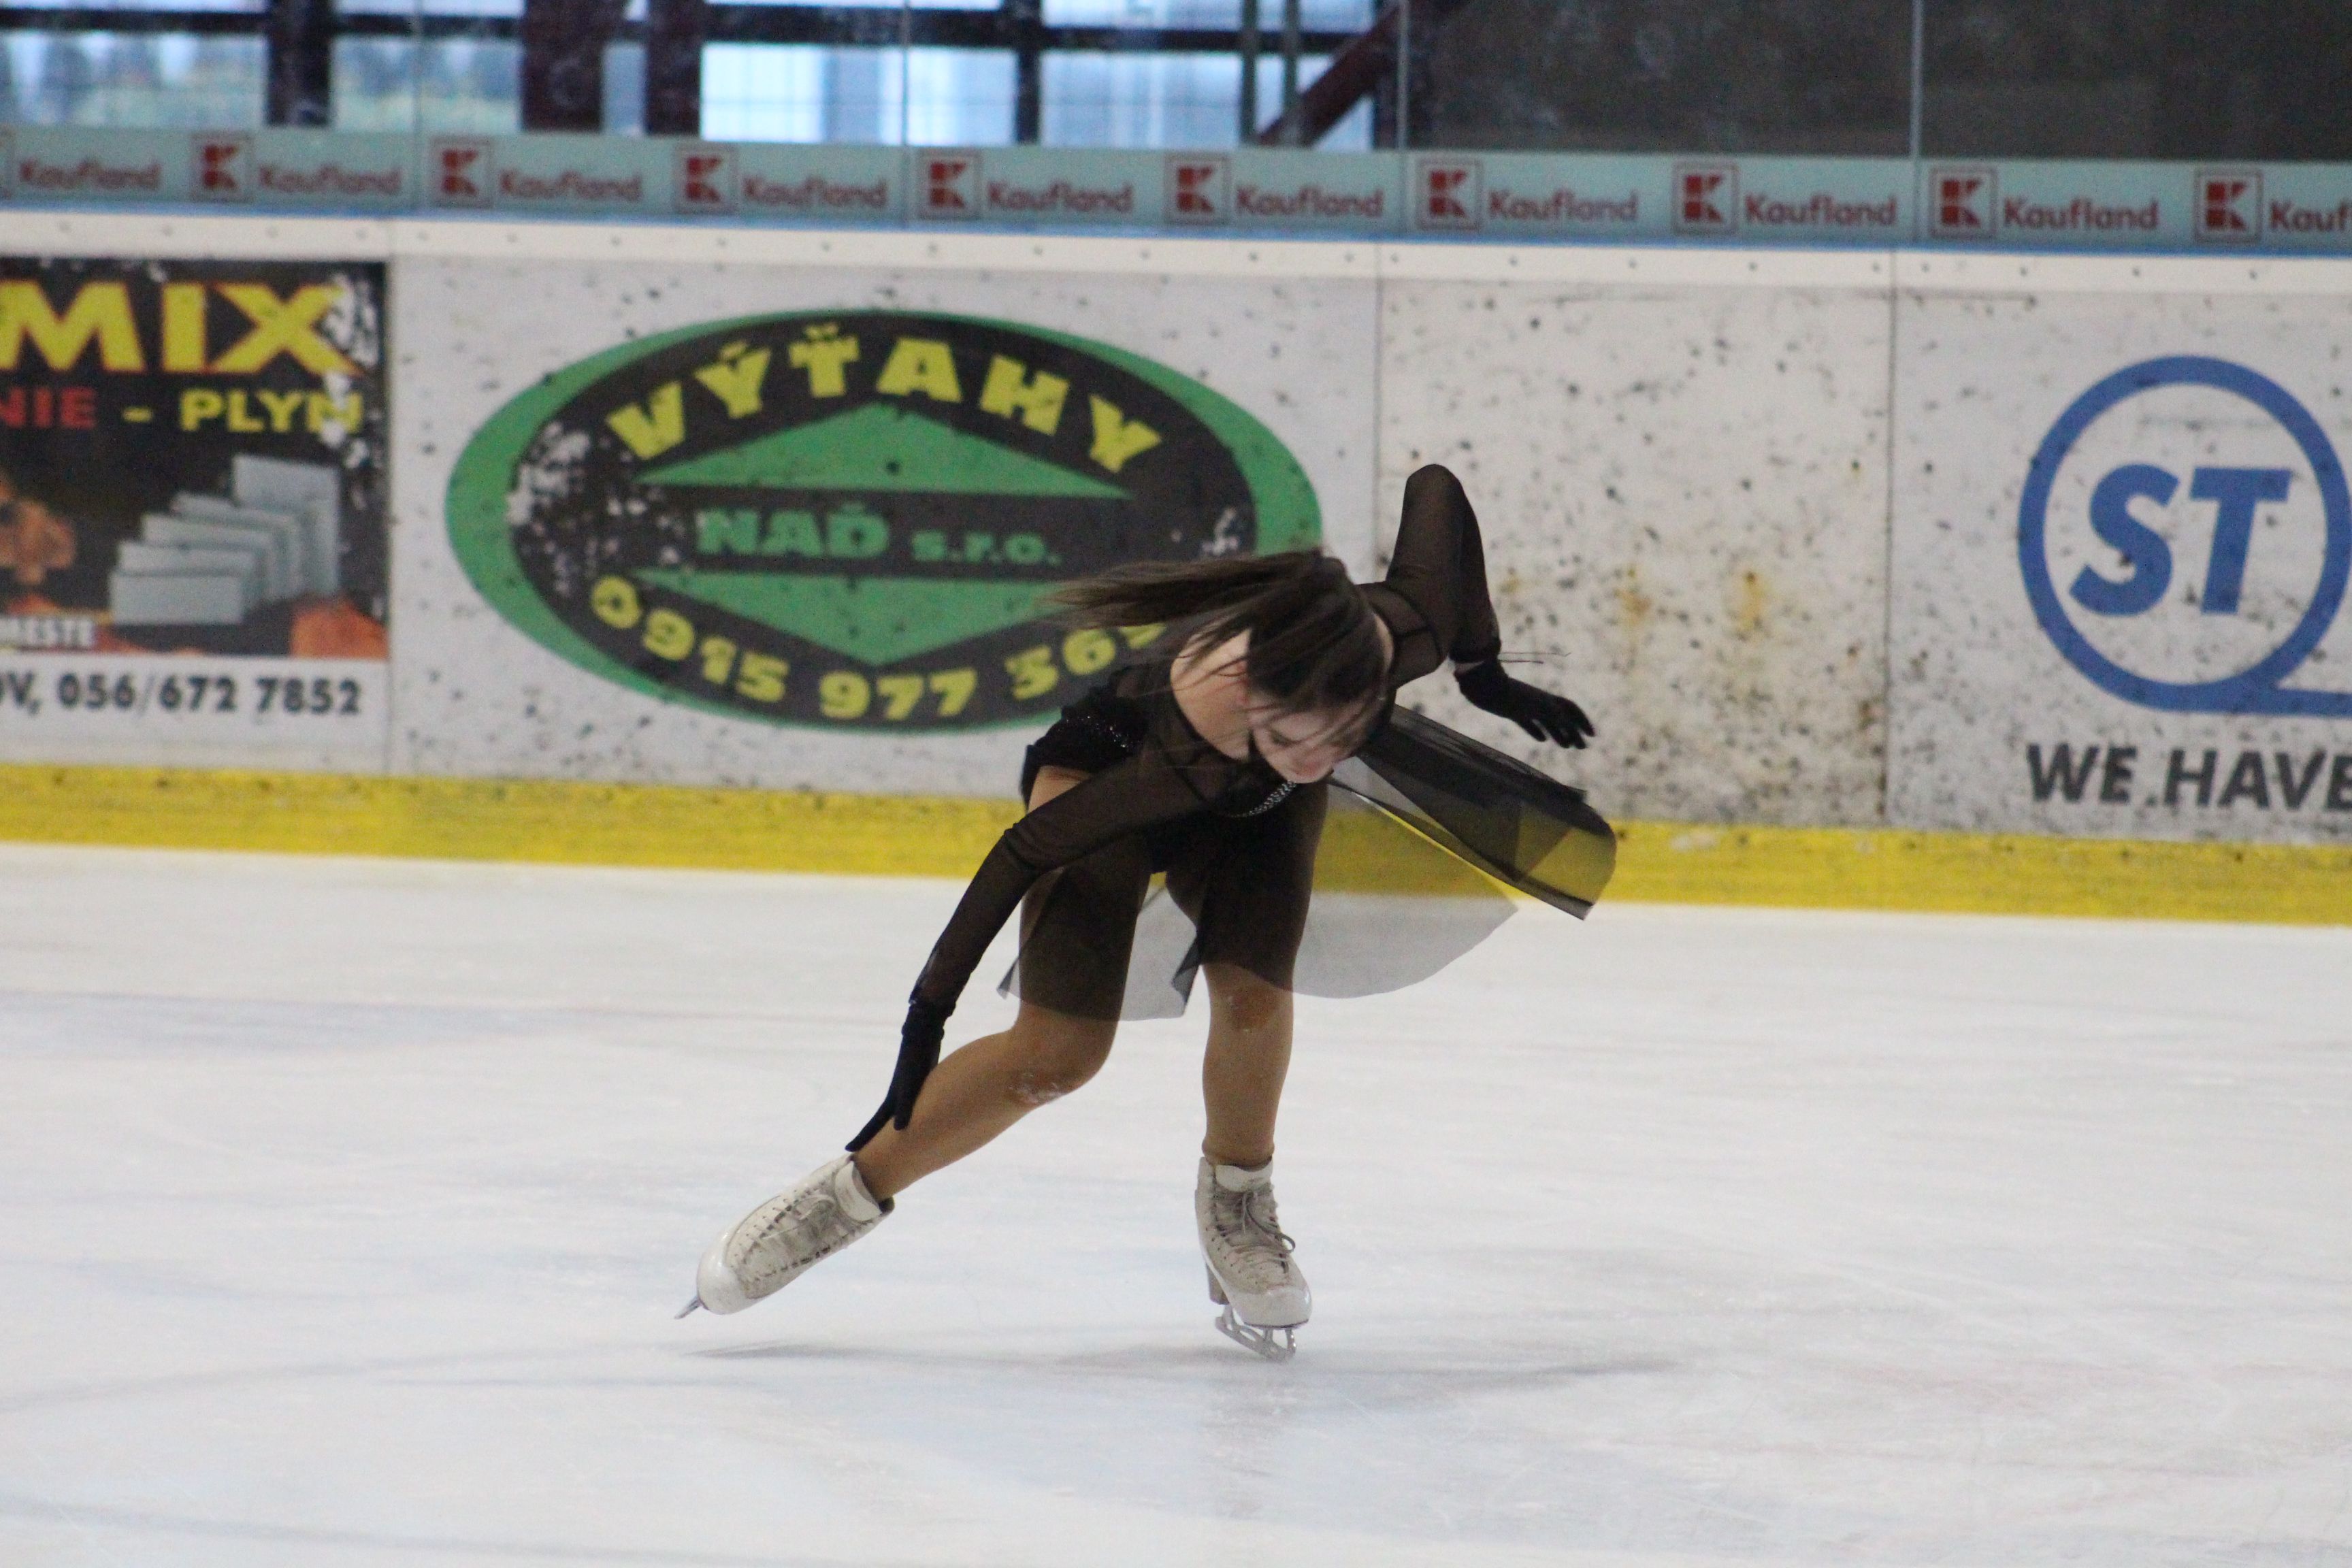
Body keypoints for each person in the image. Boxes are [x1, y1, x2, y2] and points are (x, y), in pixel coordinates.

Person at [680, 464, 1600, 1358]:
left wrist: (1480, 670)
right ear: (1251, 693)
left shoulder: (1393, 641)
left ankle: (1238, 1205)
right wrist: (926, 1018)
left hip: (1254, 808)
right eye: (1290, 736)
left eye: (1341, 739)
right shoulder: (1192, 745)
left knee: (1254, 993)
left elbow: (1435, 489)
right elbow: (1018, 857)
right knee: (1056, 1058)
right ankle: (841, 1196)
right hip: (1110, 782)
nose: (1316, 761)